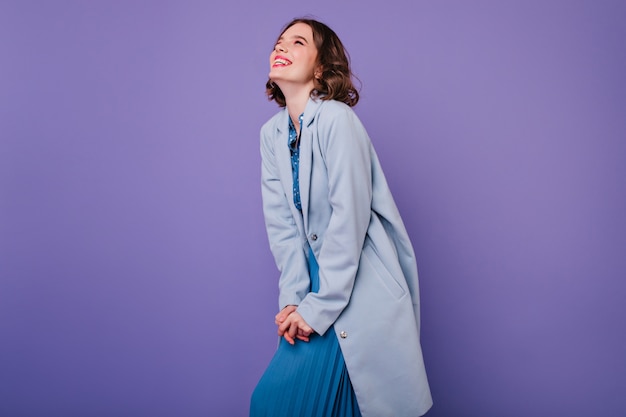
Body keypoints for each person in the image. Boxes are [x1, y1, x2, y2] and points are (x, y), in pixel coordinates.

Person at [250, 18, 433, 417]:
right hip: (315, 290)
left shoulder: (337, 120)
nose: (281, 47)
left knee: (274, 404)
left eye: (297, 42)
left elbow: (348, 223)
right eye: (279, 41)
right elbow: (282, 229)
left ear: (320, 68)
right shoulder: (271, 135)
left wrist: (315, 309)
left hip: (355, 289)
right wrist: (293, 301)